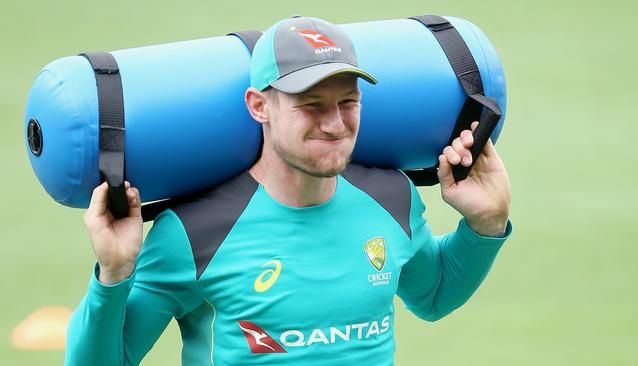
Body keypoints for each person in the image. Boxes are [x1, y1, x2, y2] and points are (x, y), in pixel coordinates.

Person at [65, 16, 512, 366]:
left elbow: (434, 296)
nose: (335, 124)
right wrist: (113, 273)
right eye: (311, 106)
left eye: (348, 102)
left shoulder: (392, 198)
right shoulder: (194, 232)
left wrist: (484, 225)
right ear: (260, 106)